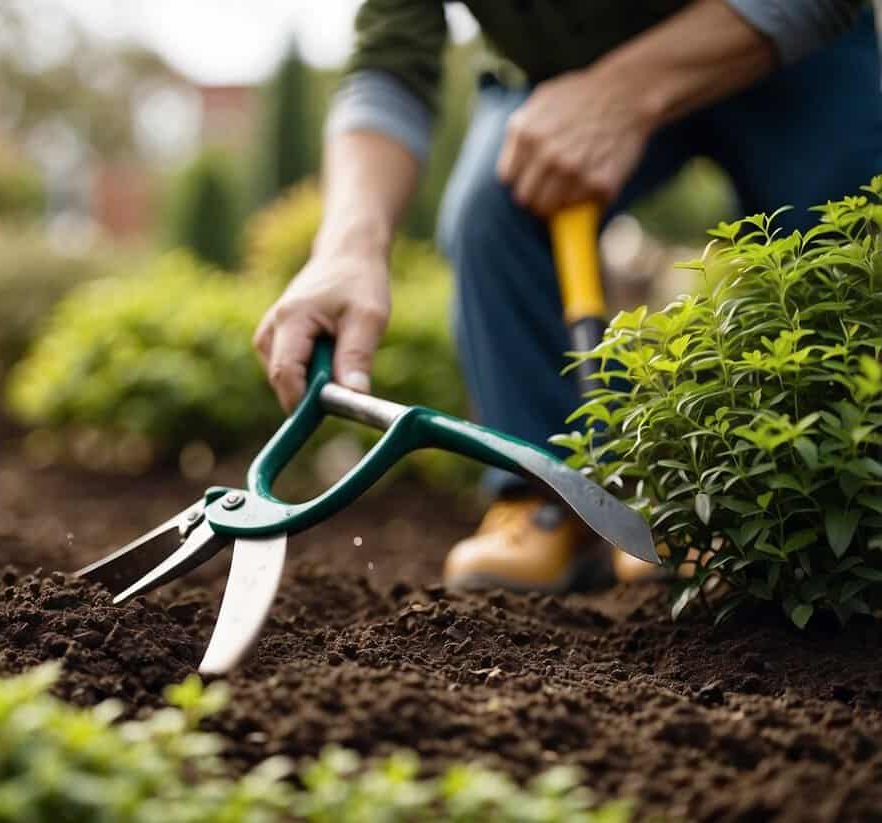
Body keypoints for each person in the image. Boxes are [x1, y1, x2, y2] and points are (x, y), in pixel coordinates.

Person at [253, 0, 880, 593]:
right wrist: (347, 246)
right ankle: (551, 496)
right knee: (491, 215)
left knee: (842, 234)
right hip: (556, 81)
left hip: (778, 44)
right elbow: (388, 62)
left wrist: (622, 93)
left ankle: (808, 504)